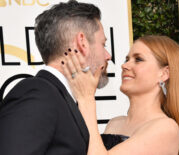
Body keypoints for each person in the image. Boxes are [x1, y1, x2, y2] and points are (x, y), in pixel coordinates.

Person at [0, 0, 111, 155]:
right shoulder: (39, 94)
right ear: (82, 43)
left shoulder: (60, 98)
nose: (108, 56)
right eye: (103, 44)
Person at [62, 35, 179, 155]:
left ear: (164, 74)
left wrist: (86, 99)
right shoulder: (114, 123)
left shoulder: (166, 128)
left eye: (138, 59)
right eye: (127, 59)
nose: (124, 65)